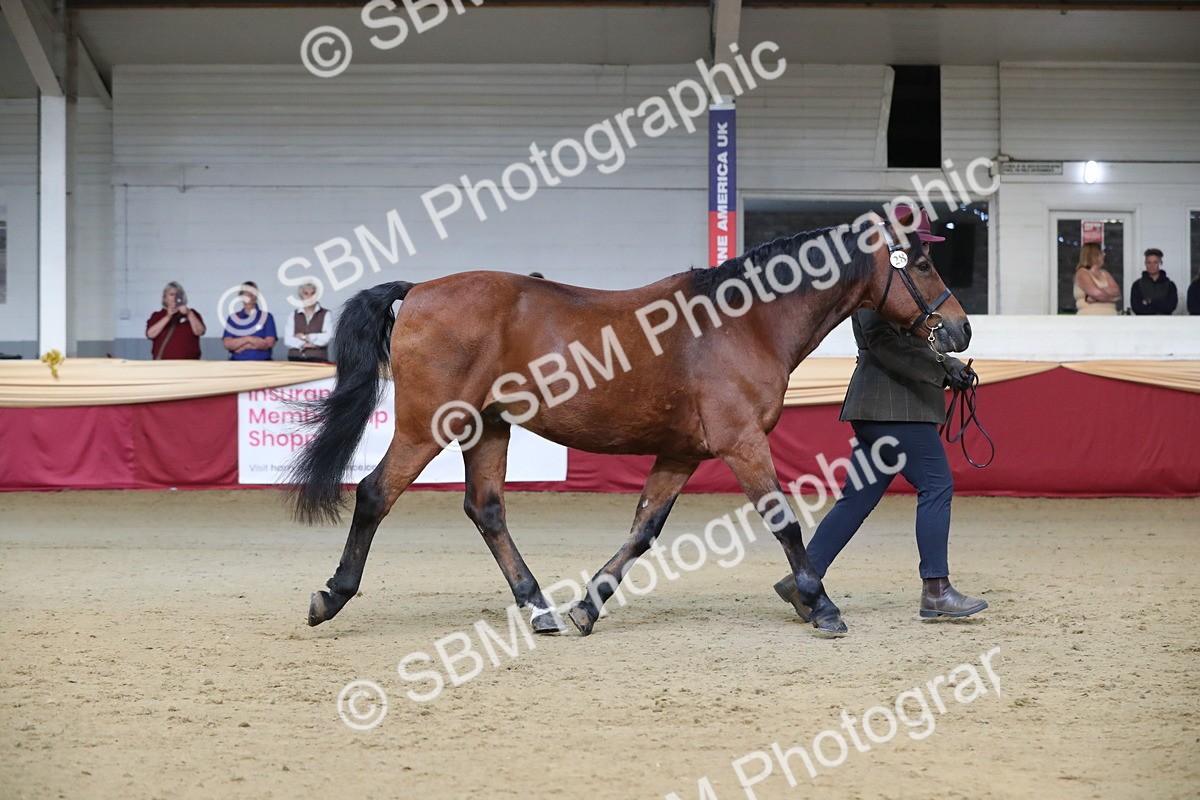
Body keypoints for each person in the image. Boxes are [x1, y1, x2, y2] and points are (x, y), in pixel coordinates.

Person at [773, 208, 987, 622]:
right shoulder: (878, 285)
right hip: (895, 407)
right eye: (920, 244)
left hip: (878, 407)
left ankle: (804, 579)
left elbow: (910, 342)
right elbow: (884, 345)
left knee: (856, 500)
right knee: (936, 485)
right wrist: (941, 372)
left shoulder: (896, 283)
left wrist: (949, 365)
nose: (925, 251)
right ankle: (936, 590)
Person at [145, 281, 205, 360]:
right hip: (164, 363)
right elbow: (150, 334)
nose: (175, 297)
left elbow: (200, 332)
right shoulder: (157, 315)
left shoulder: (192, 313)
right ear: (165, 298)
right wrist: (168, 317)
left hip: (190, 364)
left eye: (178, 294)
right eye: (171, 294)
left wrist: (189, 313)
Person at [222, 281, 277, 361]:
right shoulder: (233, 318)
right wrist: (248, 339)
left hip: (264, 364)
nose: (250, 297)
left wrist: (245, 346)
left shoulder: (267, 317)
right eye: (247, 294)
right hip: (237, 364)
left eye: (253, 293)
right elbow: (227, 344)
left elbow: (269, 342)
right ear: (241, 296)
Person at [283, 281, 334, 362]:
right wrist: (306, 344)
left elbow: (326, 338)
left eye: (312, 293)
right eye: (306, 293)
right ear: (301, 296)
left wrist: (303, 336)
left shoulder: (326, 314)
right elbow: (288, 340)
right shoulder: (293, 315)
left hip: (318, 360)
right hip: (295, 359)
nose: (310, 297)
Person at [1073, 242, 1121, 315]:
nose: (1104, 254)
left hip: (1111, 317)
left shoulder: (1105, 273)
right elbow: (1096, 293)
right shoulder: (1082, 273)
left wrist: (1094, 298)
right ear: (1094, 255)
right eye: (1101, 252)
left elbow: (1117, 293)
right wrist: (1110, 297)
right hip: (1090, 317)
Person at [1130, 248, 1178, 315]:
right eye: (1149, 262)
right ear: (1145, 264)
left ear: (1160, 263)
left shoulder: (1170, 285)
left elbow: (1170, 307)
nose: (1152, 266)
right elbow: (1136, 308)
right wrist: (1160, 304)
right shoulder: (1137, 285)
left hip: (1165, 321)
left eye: (1155, 262)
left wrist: (1149, 302)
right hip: (1144, 321)